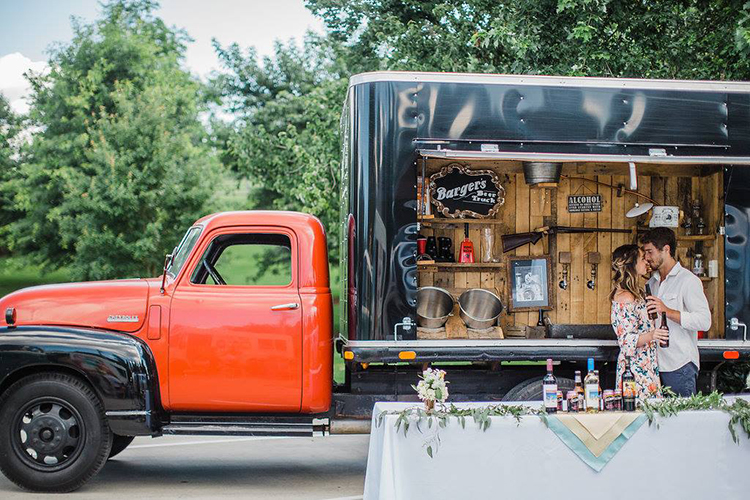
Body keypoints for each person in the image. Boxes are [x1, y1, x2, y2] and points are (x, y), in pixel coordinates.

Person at [642, 227, 711, 396]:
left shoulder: (688, 281)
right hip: (655, 365)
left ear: (666, 250)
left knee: (682, 420)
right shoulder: (652, 283)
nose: (646, 258)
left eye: (649, 252)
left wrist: (667, 311)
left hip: (679, 366)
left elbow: (704, 321)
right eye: (644, 253)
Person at [610, 244, 669, 402]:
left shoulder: (639, 292)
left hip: (646, 363)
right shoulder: (625, 297)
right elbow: (626, 340)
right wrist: (653, 334)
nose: (647, 262)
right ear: (631, 264)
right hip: (634, 367)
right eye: (643, 259)